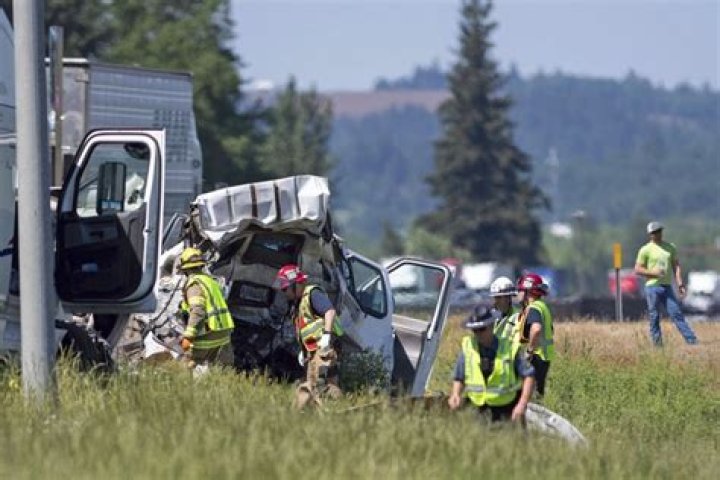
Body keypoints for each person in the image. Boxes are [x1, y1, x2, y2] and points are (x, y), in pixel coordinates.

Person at [448, 306, 535, 424]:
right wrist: (456, 394)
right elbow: (459, 377)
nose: (478, 334)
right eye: (475, 330)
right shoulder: (468, 348)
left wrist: (522, 404)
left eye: (481, 329)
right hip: (477, 409)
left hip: (506, 409)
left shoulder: (509, 348)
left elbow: (529, 375)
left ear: (492, 326)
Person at [273, 264, 344, 408]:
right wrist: (303, 351)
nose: (284, 292)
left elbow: (330, 312)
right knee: (318, 385)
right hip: (312, 351)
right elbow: (306, 331)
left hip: (324, 349)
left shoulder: (313, 294)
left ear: (296, 284)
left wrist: (326, 337)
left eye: (285, 288)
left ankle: (332, 411)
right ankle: (303, 412)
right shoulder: (298, 304)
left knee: (319, 385)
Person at [634, 221, 698, 346]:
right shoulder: (645, 250)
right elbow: (637, 269)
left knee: (676, 313)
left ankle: (691, 340)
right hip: (652, 287)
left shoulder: (670, 247)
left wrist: (680, 283)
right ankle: (657, 344)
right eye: (654, 232)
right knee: (654, 316)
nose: (657, 234)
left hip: (667, 287)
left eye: (659, 231)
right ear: (650, 234)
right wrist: (653, 273)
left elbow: (676, 266)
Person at [177, 247, 235, 368]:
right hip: (223, 334)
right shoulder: (211, 281)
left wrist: (188, 336)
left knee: (185, 366)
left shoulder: (194, 284)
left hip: (208, 335)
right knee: (220, 371)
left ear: (185, 269)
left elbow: (198, 311)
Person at [516, 272, 554, 398]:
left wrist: (529, 351)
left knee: (530, 395)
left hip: (536, 357)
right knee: (537, 393)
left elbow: (536, 329)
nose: (518, 293)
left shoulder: (534, 308)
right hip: (544, 357)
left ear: (527, 291)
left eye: (520, 290)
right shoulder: (542, 306)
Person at [489, 276, 520, 343]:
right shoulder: (490, 317)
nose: (495, 301)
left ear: (508, 298)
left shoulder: (518, 317)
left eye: (498, 297)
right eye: (494, 297)